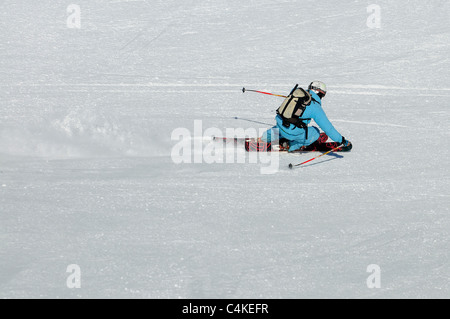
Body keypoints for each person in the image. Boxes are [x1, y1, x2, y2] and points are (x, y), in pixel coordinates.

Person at [260, 81, 352, 152]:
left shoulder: (296, 93)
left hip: (280, 124)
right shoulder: (315, 107)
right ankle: (291, 145)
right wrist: (342, 140)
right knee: (315, 132)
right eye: (322, 95)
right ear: (319, 92)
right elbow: (328, 128)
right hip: (291, 132)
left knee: (285, 124)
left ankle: (265, 137)